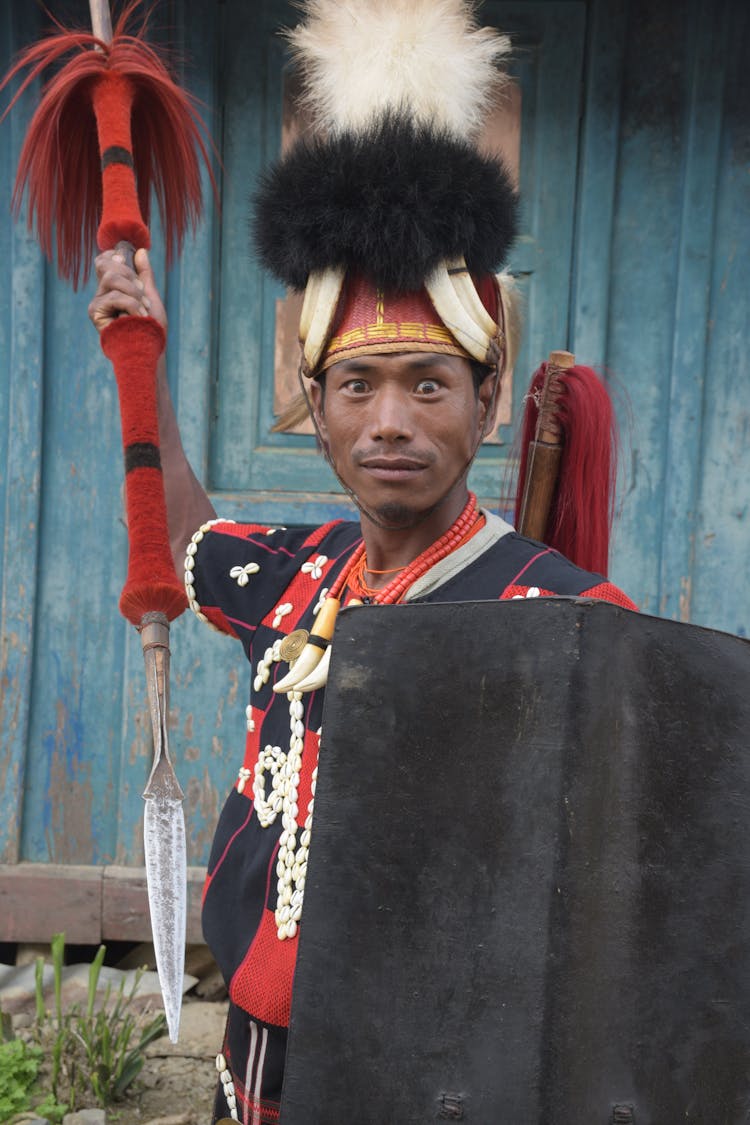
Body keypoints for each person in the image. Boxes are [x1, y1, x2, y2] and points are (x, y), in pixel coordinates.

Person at [89, 4, 636, 1121]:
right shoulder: (293, 575)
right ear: (319, 414)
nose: (391, 420)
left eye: (428, 385)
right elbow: (185, 534)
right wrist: (134, 351)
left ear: (487, 404)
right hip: (258, 1061)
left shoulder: (560, 614)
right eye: (357, 387)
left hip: (431, 1076)